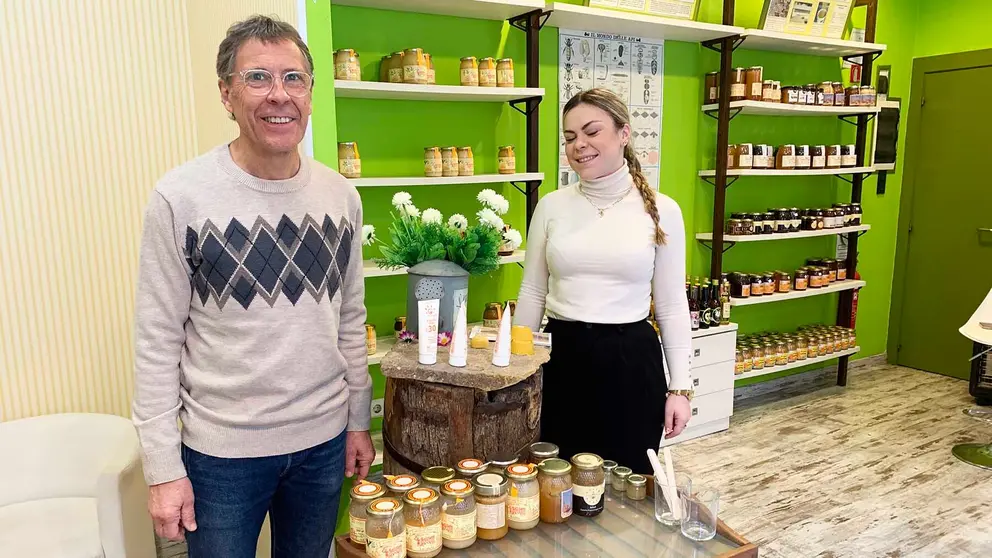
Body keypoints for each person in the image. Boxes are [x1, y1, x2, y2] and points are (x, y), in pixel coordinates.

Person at [131, 15, 374, 558]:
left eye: (294, 78)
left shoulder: (341, 198)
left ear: (311, 93)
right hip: (221, 455)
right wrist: (163, 469)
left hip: (323, 442)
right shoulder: (181, 198)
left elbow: (351, 322)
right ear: (227, 93)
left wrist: (358, 423)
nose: (279, 96)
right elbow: (156, 340)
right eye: (258, 78)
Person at [514, 88, 693, 474]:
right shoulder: (551, 207)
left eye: (591, 132)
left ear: (624, 134)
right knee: (557, 482)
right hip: (561, 360)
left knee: (628, 484)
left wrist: (680, 388)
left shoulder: (662, 210)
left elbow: (673, 305)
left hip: (631, 363)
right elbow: (531, 292)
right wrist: (513, 368)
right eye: (570, 137)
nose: (580, 145)